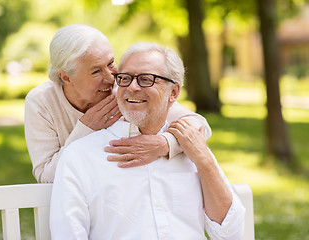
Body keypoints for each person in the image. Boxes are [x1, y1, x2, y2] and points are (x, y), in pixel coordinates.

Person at [50, 42, 245, 239]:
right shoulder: (81, 156)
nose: (132, 87)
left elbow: (230, 233)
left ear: (174, 92)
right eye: (125, 78)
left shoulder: (191, 146)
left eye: (146, 79)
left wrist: (204, 160)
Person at [25, 24, 212, 183]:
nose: (110, 77)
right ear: (66, 77)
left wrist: (166, 143)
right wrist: (86, 129)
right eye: (96, 71)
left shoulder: (124, 90)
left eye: (111, 63)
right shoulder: (41, 102)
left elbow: (200, 126)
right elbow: (46, 175)